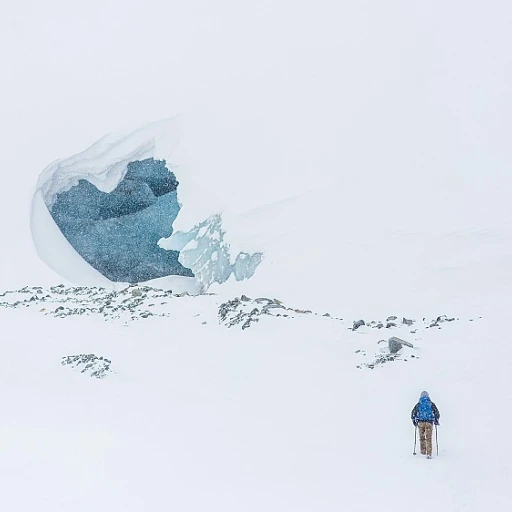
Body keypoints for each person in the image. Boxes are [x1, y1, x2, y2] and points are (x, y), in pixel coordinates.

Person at [411, 391, 440, 458]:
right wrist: (436, 419)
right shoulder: (431, 404)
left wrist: (414, 421)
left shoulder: (419, 404)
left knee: (422, 438)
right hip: (429, 423)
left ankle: (423, 451)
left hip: (420, 423)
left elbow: (413, 413)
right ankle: (429, 453)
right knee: (428, 438)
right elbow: (437, 413)